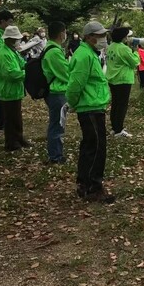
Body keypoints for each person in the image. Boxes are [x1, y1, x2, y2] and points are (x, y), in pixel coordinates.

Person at [66, 21, 114, 203]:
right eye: (99, 35)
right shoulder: (84, 55)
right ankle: (94, 187)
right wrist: (73, 102)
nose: (103, 38)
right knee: (96, 148)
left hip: (93, 106)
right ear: (88, 37)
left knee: (89, 146)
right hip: (90, 108)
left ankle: (84, 184)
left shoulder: (89, 54)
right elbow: (75, 84)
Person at [0, 25, 30, 151]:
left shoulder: (12, 51)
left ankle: (19, 138)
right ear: (9, 39)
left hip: (14, 90)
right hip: (7, 90)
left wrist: (29, 65)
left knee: (17, 117)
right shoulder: (4, 54)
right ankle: (11, 143)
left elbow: (21, 64)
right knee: (10, 118)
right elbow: (11, 74)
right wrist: (28, 73)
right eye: (16, 39)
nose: (18, 41)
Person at [41, 21, 70, 163]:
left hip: (56, 92)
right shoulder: (53, 52)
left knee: (57, 124)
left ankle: (56, 154)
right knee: (57, 125)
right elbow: (65, 73)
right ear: (61, 34)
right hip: (56, 92)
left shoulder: (52, 49)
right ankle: (55, 156)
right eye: (65, 32)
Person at [106, 27, 139, 138]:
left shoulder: (110, 47)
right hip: (123, 80)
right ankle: (119, 130)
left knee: (115, 104)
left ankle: (114, 128)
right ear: (123, 37)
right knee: (122, 105)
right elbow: (134, 62)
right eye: (126, 36)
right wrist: (135, 52)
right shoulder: (123, 48)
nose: (127, 38)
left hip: (112, 79)